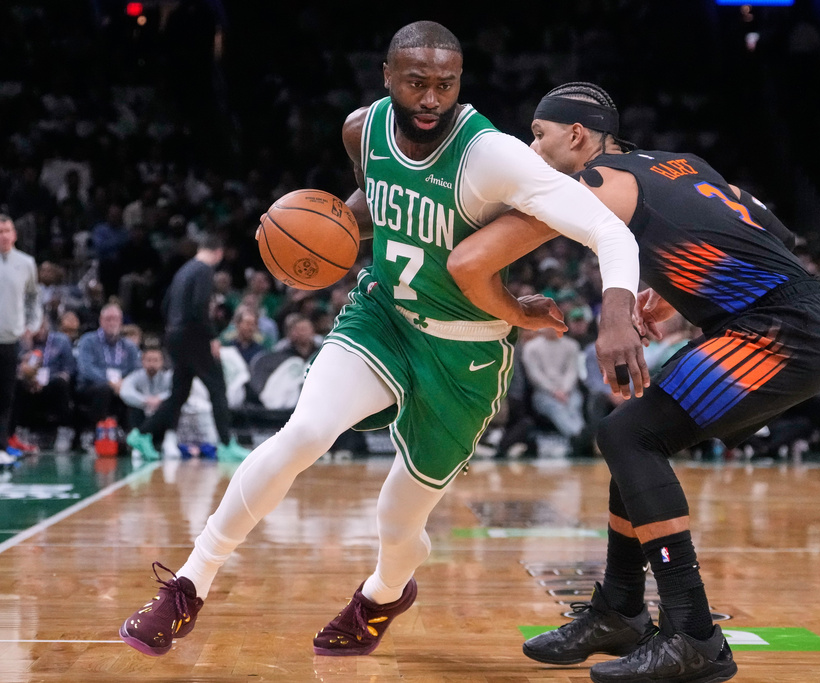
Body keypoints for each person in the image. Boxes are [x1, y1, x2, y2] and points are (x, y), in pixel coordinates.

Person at [119, 21, 644, 660]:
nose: (430, 99)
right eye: (416, 83)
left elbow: (610, 230)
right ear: (387, 77)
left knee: (398, 520)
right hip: (383, 316)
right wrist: (320, 233)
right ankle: (189, 584)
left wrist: (616, 315)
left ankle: (383, 594)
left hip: (463, 348)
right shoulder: (360, 130)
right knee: (305, 432)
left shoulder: (493, 156)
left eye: (445, 85)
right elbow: (380, 201)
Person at [447, 81, 820, 683]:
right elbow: (776, 235)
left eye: (538, 134)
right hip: (791, 316)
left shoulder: (594, 182)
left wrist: (513, 310)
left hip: (784, 332)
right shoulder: (681, 163)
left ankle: (694, 636)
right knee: (631, 437)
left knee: (630, 436)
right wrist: (671, 289)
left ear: (576, 136)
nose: (532, 149)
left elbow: (472, 259)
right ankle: (619, 609)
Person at [125, 232, 248, 461]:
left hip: (175, 334)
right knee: (217, 387)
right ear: (218, 253)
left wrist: (174, 328)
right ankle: (226, 444)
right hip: (194, 335)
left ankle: (141, 434)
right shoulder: (204, 270)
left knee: (179, 394)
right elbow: (199, 306)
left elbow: (165, 304)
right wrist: (212, 337)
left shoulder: (184, 270)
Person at [0, 214, 43, 458]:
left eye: (7, 230)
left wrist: (32, 324)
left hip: (10, 338)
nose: (3, 236)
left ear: (14, 234)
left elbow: (33, 297)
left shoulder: (26, 263)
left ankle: (1, 446)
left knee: (6, 395)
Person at [75, 302, 141, 434]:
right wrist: (110, 383)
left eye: (115, 319)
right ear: (101, 321)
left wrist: (123, 383)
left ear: (121, 322)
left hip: (121, 386)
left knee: (133, 391)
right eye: (108, 319)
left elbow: (136, 370)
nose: (112, 323)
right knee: (104, 390)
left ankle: (130, 434)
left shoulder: (129, 346)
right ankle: (96, 433)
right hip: (91, 386)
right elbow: (86, 369)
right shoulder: (88, 340)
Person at [13, 317, 76, 448]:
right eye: (36, 328)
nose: (40, 331)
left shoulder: (61, 341)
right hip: (29, 383)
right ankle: (21, 429)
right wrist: (27, 347)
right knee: (17, 383)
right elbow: (13, 368)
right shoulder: (21, 342)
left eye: (42, 326)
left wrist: (51, 379)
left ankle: (64, 429)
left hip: (52, 382)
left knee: (61, 383)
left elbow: (69, 369)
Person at [119, 347, 173, 432]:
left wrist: (159, 398)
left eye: (155, 360)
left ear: (162, 362)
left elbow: (176, 392)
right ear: (142, 361)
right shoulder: (136, 376)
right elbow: (125, 391)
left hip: (162, 412)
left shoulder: (168, 377)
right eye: (149, 360)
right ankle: (135, 434)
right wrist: (145, 400)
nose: (152, 364)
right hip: (142, 411)